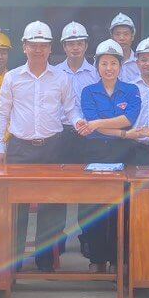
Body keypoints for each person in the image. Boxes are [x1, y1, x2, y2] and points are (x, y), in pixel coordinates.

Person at [0, 20, 84, 272]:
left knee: (52, 207)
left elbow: (71, 109)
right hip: (20, 149)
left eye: (43, 45)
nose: (38, 50)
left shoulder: (61, 78)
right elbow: (2, 113)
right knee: (17, 208)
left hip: (52, 148)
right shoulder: (12, 77)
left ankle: (45, 261)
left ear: (50, 48)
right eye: (33, 45)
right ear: (24, 47)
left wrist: (80, 122)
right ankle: (14, 263)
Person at [74, 40, 142, 271]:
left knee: (122, 207)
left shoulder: (131, 90)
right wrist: (123, 133)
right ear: (97, 67)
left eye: (113, 63)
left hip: (124, 154)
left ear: (120, 66)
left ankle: (118, 259)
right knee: (94, 206)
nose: (109, 68)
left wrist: (99, 124)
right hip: (96, 153)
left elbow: (128, 119)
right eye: (104, 63)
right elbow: (95, 123)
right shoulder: (88, 91)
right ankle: (97, 259)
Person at [54, 22, 98, 257]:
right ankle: (57, 239)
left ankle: (87, 238)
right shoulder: (54, 73)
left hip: (88, 135)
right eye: (70, 43)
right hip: (61, 134)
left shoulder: (95, 73)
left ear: (86, 45)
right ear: (64, 46)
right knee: (59, 188)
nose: (75, 48)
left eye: (79, 43)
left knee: (87, 189)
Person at [122, 37, 149, 166]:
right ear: (137, 62)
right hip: (133, 146)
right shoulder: (129, 88)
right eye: (144, 60)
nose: (148, 63)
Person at [109, 12, 141, 84]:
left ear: (132, 36)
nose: (122, 38)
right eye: (117, 34)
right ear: (112, 37)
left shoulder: (140, 62)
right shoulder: (103, 62)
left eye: (126, 34)